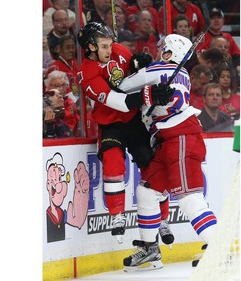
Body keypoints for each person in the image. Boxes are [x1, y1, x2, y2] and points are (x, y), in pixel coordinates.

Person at [117, 34, 217, 270]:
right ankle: (151, 248)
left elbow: (122, 86)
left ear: (171, 53)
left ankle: (219, 248)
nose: (160, 51)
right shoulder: (180, 74)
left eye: (163, 48)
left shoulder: (160, 68)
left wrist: (138, 70)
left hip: (180, 137)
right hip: (168, 140)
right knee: (147, 193)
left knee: (189, 198)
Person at [76, 22, 175, 243]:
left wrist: (142, 65)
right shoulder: (86, 73)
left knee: (151, 164)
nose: (110, 50)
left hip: (134, 120)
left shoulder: (119, 51)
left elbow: (138, 76)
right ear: (91, 47)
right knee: (112, 161)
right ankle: (117, 215)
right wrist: (148, 95)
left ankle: (163, 218)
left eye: (110, 44)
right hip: (111, 123)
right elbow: (119, 103)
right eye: (103, 46)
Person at [43, 70, 81, 138]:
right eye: (56, 86)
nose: (60, 89)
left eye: (63, 85)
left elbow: (77, 126)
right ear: (47, 87)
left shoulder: (70, 103)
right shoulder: (42, 104)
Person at [46, 34, 80, 101]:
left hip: (80, 100)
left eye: (73, 47)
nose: (71, 50)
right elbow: (59, 93)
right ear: (59, 49)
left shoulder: (75, 63)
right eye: (67, 47)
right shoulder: (55, 69)